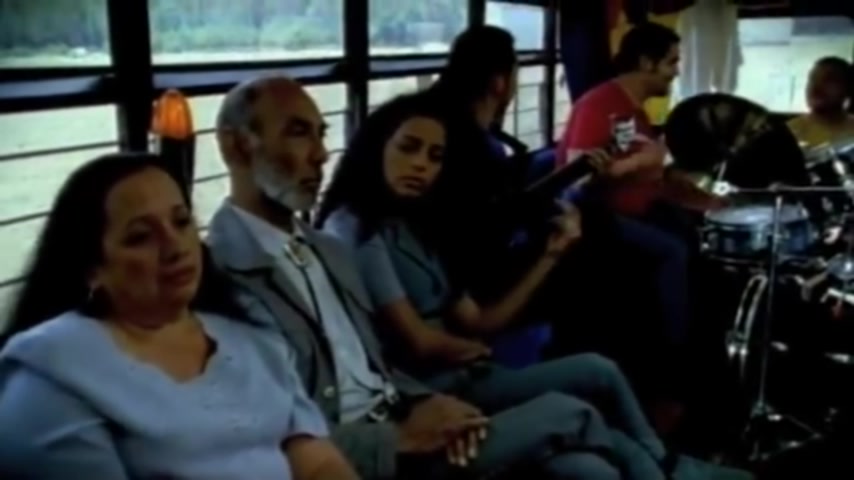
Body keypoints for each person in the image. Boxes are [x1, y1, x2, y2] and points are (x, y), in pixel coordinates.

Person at [206, 74, 687, 480]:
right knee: (572, 411)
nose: (320, 153)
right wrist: (402, 431)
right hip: (377, 444)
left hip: (418, 401)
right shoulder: (228, 276)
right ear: (234, 145)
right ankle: (669, 468)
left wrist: (427, 403)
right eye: (297, 133)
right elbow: (277, 430)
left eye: (321, 134)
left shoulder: (329, 248)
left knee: (586, 466)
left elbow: (376, 365)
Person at [317, 91, 753, 480]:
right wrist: (471, 349)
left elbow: (479, 320)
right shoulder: (357, 228)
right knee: (580, 424)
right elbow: (419, 341)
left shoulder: (411, 224)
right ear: (376, 147)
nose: (421, 165)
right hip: (431, 392)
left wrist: (552, 253)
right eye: (408, 148)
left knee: (596, 391)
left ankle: (664, 463)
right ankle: (668, 469)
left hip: (468, 375)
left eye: (434, 157)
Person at [0, 153, 358, 480]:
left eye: (182, 222)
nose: (175, 246)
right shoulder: (52, 376)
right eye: (141, 237)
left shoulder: (249, 331)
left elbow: (318, 464)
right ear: (92, 268)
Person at [788, 56, 854, 148]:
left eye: (828, 80)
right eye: (812, 79)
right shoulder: (790, 133)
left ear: (848, 87)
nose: (815, 86)